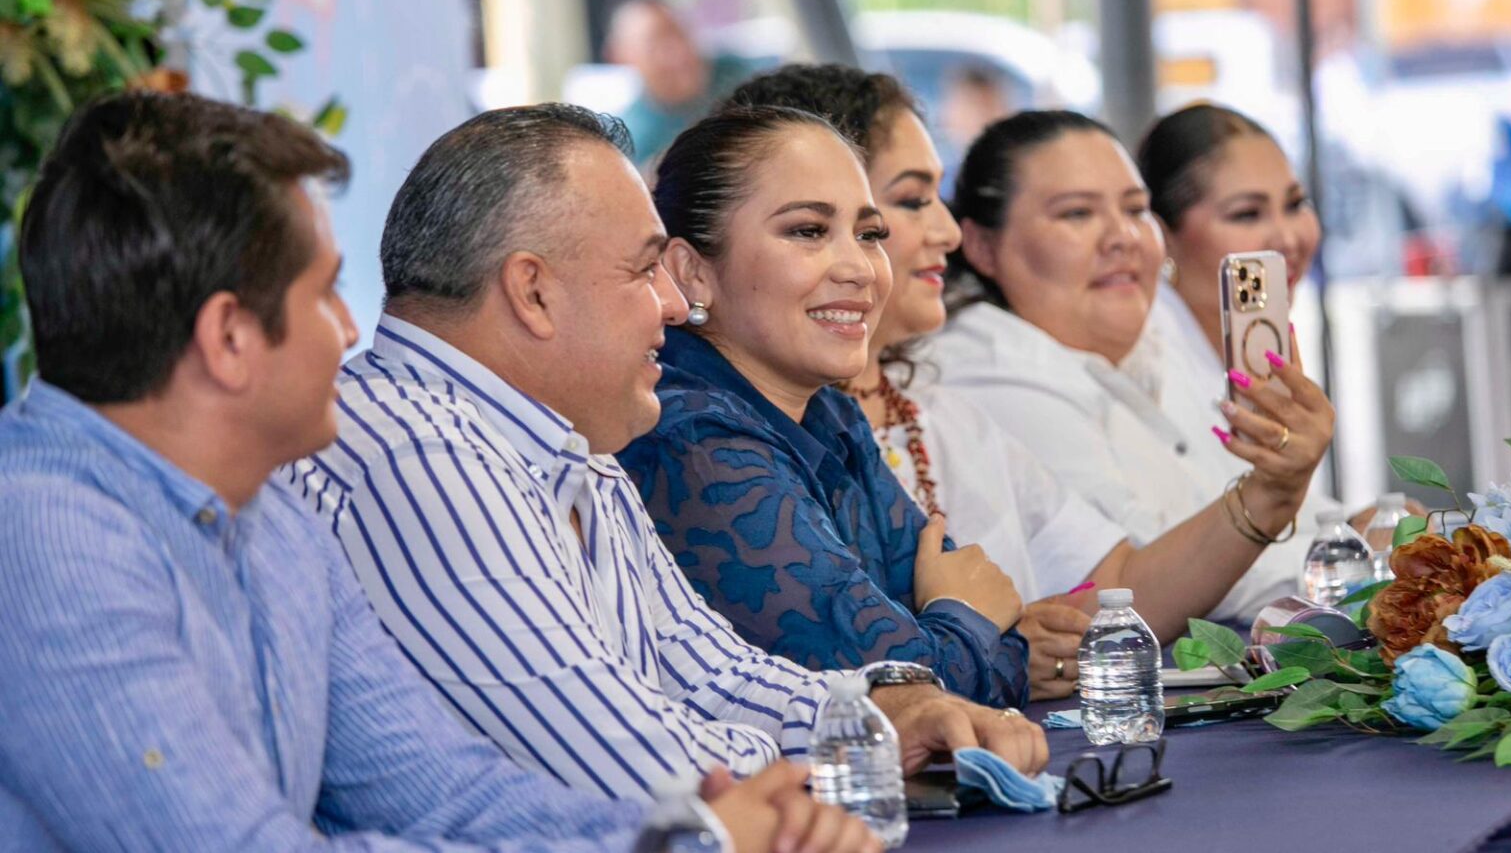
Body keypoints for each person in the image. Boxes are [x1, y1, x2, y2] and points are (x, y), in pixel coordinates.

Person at [0, 92, 871, 853]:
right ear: (230, 338)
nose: (351, 332)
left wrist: (689, 832)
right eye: (324, 293)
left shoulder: (273, 523)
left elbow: (446, 790)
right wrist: (694, 838)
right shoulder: (46, 533)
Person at [282, 103, 1048, 804]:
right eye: (645, 269)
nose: (676, 305)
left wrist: (889, 711)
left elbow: (710, 673)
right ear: (533, 291)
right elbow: (619, 758)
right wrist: (858, 746)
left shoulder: (574, 448)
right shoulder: (419, 449)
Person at [721, 66, 1347, 676]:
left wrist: (1271, 493)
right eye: (910, 201)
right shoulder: (736, 432)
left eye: (1136, 209)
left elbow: (1116, 589)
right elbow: (793, 677)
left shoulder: (935, 411)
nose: (945, 231)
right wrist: (990, 646)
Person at [617, 105, 1041, 716]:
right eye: (808, 231)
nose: (860, 269)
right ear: (693, 272)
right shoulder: (690, 439)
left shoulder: (829, 416)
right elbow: (895, 701)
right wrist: (962, 615)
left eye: (869, 235)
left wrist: (955, 626)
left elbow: (1008, 645)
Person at [929, 110, 1337, 622]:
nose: (1122, 236)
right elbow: (1142, 581)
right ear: (982, 246)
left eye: (1136, 208)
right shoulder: (987, 369)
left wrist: (1355, 530)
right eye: (1078, 213)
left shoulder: (1147, 340)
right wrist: (1327, 541)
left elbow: (1236, 505)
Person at [606, 0, 754, 166]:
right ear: (620, 57)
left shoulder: (741, 74)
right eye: (656, 45)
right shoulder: (632, 142)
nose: (679, 54)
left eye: (681, 33)